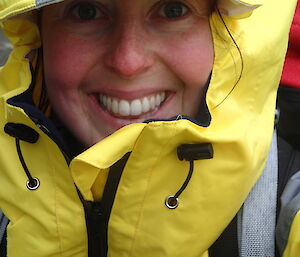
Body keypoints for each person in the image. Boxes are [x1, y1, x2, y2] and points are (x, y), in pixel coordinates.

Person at [0, 0, 296, 256]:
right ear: (37, 36)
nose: (128, 62)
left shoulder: (286, 209)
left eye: (173, 9)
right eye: (86, 11)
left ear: (231, 34)